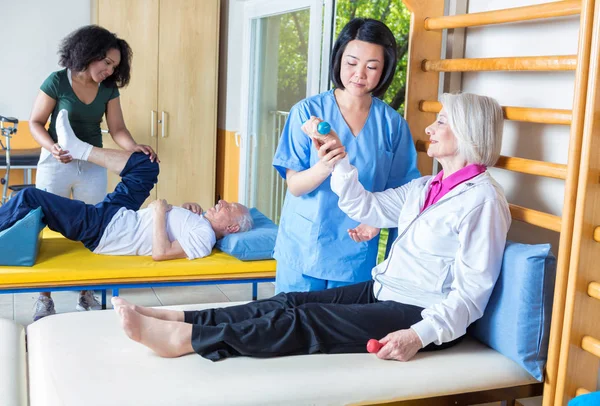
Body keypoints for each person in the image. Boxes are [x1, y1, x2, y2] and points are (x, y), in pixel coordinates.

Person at [113, 92, 511, 362]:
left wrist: (419, 335)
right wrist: (334, 156)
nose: (430, 128)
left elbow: (472, 293)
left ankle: (188, 342)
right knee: (290, 302)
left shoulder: (483, 202)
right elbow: (366, 206)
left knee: (306, 322)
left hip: (420, 311)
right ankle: (181, 319)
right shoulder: (427, 187)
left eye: (441, 122)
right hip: (385, 290)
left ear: (467, 132)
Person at [272, 18, 420, 293]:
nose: (359, 74)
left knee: (342, 332)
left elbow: (404, 193)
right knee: (292, 327)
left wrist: (376, 220)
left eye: (372, 67)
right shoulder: (307, 113)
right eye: (352, 63)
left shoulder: (392, 125)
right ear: (339, 59)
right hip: (305, 247)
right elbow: (294, 186)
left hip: (355, 251)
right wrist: (326, 165)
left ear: (384, 69)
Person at [0, 111, 252, 265]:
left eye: (228, 207)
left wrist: (160, 212)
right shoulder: (202, 225)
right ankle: (77, 148)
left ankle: (76, 149)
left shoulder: (205, 238)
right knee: (146, 165)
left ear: (230, 227)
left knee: (30, 196)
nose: (221, 202)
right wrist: (183, 210)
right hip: (121, 216)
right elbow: (173, 231)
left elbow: (161, 253)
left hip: (107, 230)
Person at [29, 25, 158, 319]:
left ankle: (86, 294)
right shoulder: (57, 81)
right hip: (56, 160)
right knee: (46, 225)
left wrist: (133, 147)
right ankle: (44, 296)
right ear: (88, 54)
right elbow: (35, 122)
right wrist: (52, 148)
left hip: (91, 163)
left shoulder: (108, 89)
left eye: (115, 66)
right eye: (107, 62)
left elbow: (117, 129)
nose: (110, 70)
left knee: (93, 227)